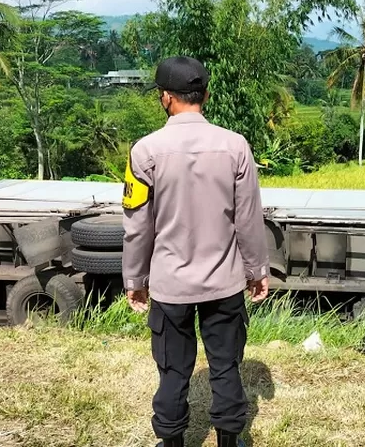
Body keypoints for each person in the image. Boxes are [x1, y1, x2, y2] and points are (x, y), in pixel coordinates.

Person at [121, 55, 270, 447]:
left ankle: (171, 442)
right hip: (224, 283)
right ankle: (229, 441)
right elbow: (249, 218)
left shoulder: (144, 151)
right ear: (205, 94)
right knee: (225, 367)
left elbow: (137, 225)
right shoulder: (235, 146)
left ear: (166, 98)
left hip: (170, 286)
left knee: (172, 371)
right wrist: (256, 270)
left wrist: (134, 280)